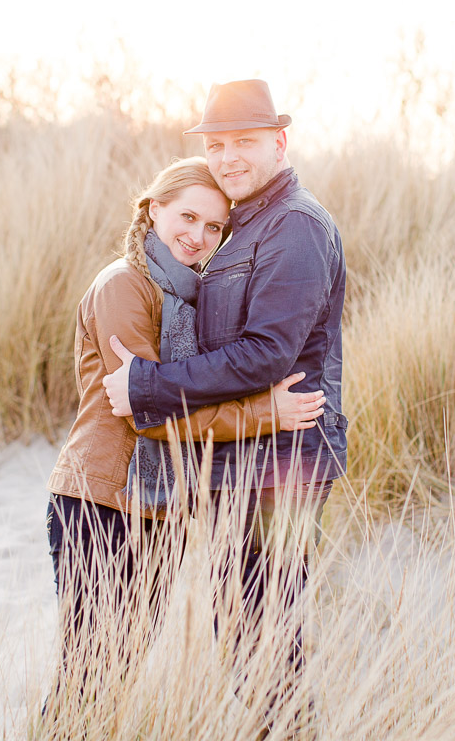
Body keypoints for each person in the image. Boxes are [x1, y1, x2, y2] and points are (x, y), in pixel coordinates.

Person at [103, 80, 347, 732]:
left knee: (266, 648)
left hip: (281, 467)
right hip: (240, 460)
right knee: (246, 640)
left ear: (279, 142)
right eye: (217, 145)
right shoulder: (243, 222)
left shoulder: (294, 226)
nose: (229, 157)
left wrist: (151, 387)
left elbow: (268, 353)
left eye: (245, 142)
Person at [43, 157, 326, 705]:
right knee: (88, 681)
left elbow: (179, 393)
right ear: (153, 210)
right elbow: (147, 413)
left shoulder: (191, 299)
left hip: (162, 510)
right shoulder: (124, 287)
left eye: (214, 226)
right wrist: (264, 413)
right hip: (104, 503)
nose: (198, 236)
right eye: (188, 217)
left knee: (115, 677)